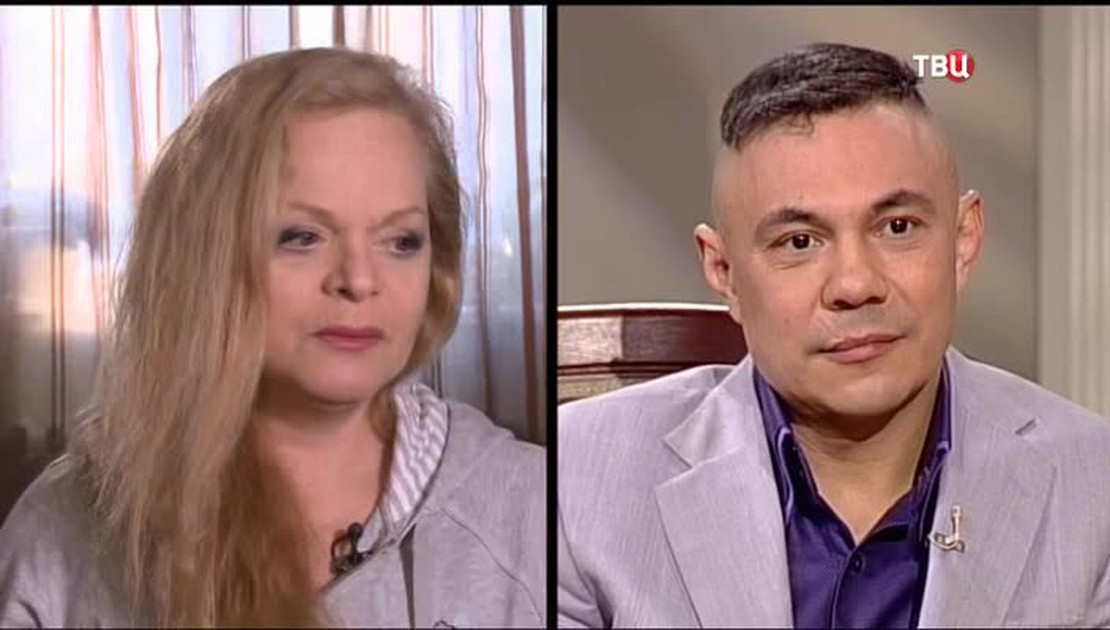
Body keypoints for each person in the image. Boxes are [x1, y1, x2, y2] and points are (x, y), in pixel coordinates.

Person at [557, 42, 1110, 628]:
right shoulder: (576, 480)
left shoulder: (1093, 486)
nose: (855, 284)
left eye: (898, 227)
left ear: (963, 240)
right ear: (724, 273)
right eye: (799, 242)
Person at [0, 47, 546, 628]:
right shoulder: (68, 529)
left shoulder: (529, 509)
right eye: (302, 237)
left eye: (400, 241)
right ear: (205, 258)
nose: (359, 280)